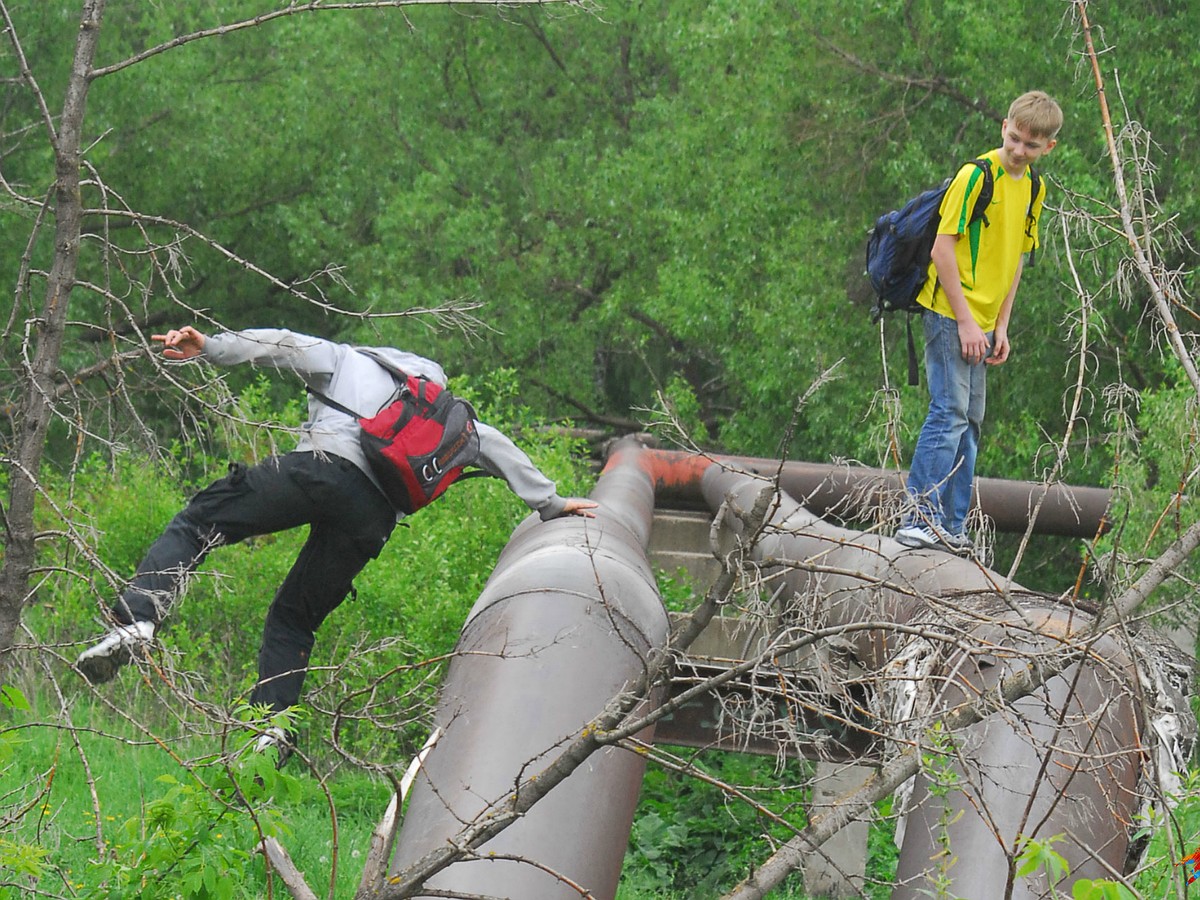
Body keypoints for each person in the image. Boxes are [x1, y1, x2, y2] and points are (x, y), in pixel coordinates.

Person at [76, 326, 598, 760]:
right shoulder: (449, 421)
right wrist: (551, 504)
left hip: (319, 469)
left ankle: (138, 621)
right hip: (370, 520)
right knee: (294, 618)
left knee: (198, 524)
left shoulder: (352, 361)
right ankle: (273, 728)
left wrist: (209, 346)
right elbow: (498, 449)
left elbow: (277, 345)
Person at [895, 91, 1061, 554]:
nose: (1019, 150)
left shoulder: (1033, 188)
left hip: (985, 322)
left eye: (1031, 145)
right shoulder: (976, 175)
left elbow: (1016, 261)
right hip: (951, 312)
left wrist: (1000, 325)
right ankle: (919, 518)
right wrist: (968, 323)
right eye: (1014, 137)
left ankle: (951, 526)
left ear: (1047, 148)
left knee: (970, 421)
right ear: (1004, 126)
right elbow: (941, 251)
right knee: (948, 412)